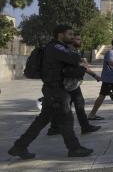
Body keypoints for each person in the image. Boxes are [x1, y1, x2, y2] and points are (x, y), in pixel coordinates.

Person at [8, 25, 93, 159]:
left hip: (54, 89)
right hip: (56, 89)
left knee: (43, 120)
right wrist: (80, 60)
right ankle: (74, 148)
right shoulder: (55, 47)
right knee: (66, 118)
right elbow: (73, 58)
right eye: (70, 34)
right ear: (60, 35)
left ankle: (19, 146)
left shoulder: (57, 47)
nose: (72, 37)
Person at [46, 33, 101, 136]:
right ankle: (82, 127)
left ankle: (56, 128)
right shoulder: (67, 52)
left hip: (73, 83)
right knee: (72, 106)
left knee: (72, 105)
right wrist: (83, 64)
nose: (80, 41)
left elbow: (83, 66)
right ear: (72, 40)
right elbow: (78, 66)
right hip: (66, 83)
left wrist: (94, 75)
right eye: (78, 39)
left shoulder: (74, 51)